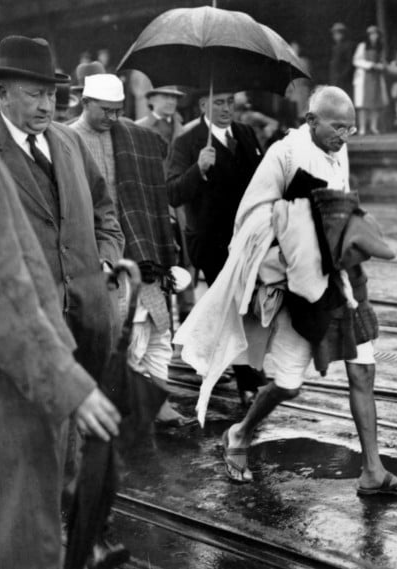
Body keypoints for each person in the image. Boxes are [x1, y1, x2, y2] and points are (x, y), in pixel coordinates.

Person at [174, 86, 397, 497]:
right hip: (301, 285)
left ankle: (373, 472)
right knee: (289, 384)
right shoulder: (283, 154)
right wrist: (299, 218)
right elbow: (251, 216)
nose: (344, 136)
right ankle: (239, 433)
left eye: (350, 127)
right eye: (337, 126)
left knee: (363, 369)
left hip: (343, 279)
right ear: (311, 120)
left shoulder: (339, 149)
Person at [0, 35, 125, 564]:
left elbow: (107, 209)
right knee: (38, 438)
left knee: (84, 437)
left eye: (53, 95)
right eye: (33, 95)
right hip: (30, 327)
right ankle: (51, 542)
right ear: (1, 93)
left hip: (88, 315)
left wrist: (107, 259)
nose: (47, 106)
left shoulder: (69, 143)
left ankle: (80, 531)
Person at [71, 73, 189, 427]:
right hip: (94, 252)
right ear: (85, 103)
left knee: (157, 326)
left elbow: (160, 157)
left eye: (117, 111)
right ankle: (125, 401)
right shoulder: (67, 139)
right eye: (104, 111)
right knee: (120, 332)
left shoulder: (132, 137)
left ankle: (159, 399)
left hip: (140, 242)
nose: (111, 118)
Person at [167, 90, 267, 405]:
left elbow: (262, 178)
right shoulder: (187, 141)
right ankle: (247, 383)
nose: (226, 109)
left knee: (253, 305)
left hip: (249, 239)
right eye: (219, 102)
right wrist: (199, 169)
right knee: (231, 309)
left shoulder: (245, 133)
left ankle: (245, 368)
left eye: (229, 102)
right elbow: (173, 193)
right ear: (203, 104)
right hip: (211, 242)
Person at [136, 85, 195, 324]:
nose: (171, 101)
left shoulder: (186, 130)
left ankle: (187, 317)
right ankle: (160, 320)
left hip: (181, 205)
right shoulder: (139, 128)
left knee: (186, 260)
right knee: (158, 261)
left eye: (174, 97)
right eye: (165, 96)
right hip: (153, 204)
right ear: (151, 99)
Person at [353, 25, 389, 135]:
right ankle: (362, 128)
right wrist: (371, 65)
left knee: (376, 103)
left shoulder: (380, 47)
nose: (374, 36)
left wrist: (382, 65)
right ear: (368, 36)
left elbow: (383, 60)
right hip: (365, 77)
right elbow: (356, 61)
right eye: (371, 34)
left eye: (376, 34)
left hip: (376, 77)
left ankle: (373, 127)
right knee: (363, 104)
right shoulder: (362, 46)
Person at [329, 23, 354, 97]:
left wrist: (342, 75)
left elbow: (349, 63)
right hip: (335, 78)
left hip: (344, 80)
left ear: (342, 34)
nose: (335, 36)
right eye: (334, 34)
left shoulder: (348, 45)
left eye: (337, 34)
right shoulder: (335, 47)